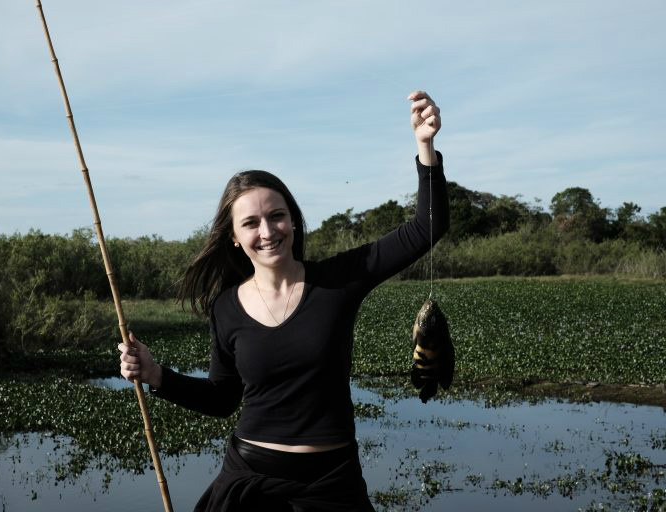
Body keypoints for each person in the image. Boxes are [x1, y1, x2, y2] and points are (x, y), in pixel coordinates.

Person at [119, 90, 449, 511]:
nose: (267, 231)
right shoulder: (225, 308)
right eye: (251, 223)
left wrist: (425, 147)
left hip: (333, 484)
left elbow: (427, 228)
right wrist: (156, 374)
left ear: (292, 219)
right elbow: (223, 399)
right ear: (235, 238)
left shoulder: (338, 279)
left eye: (276, 215)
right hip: (249, 481)